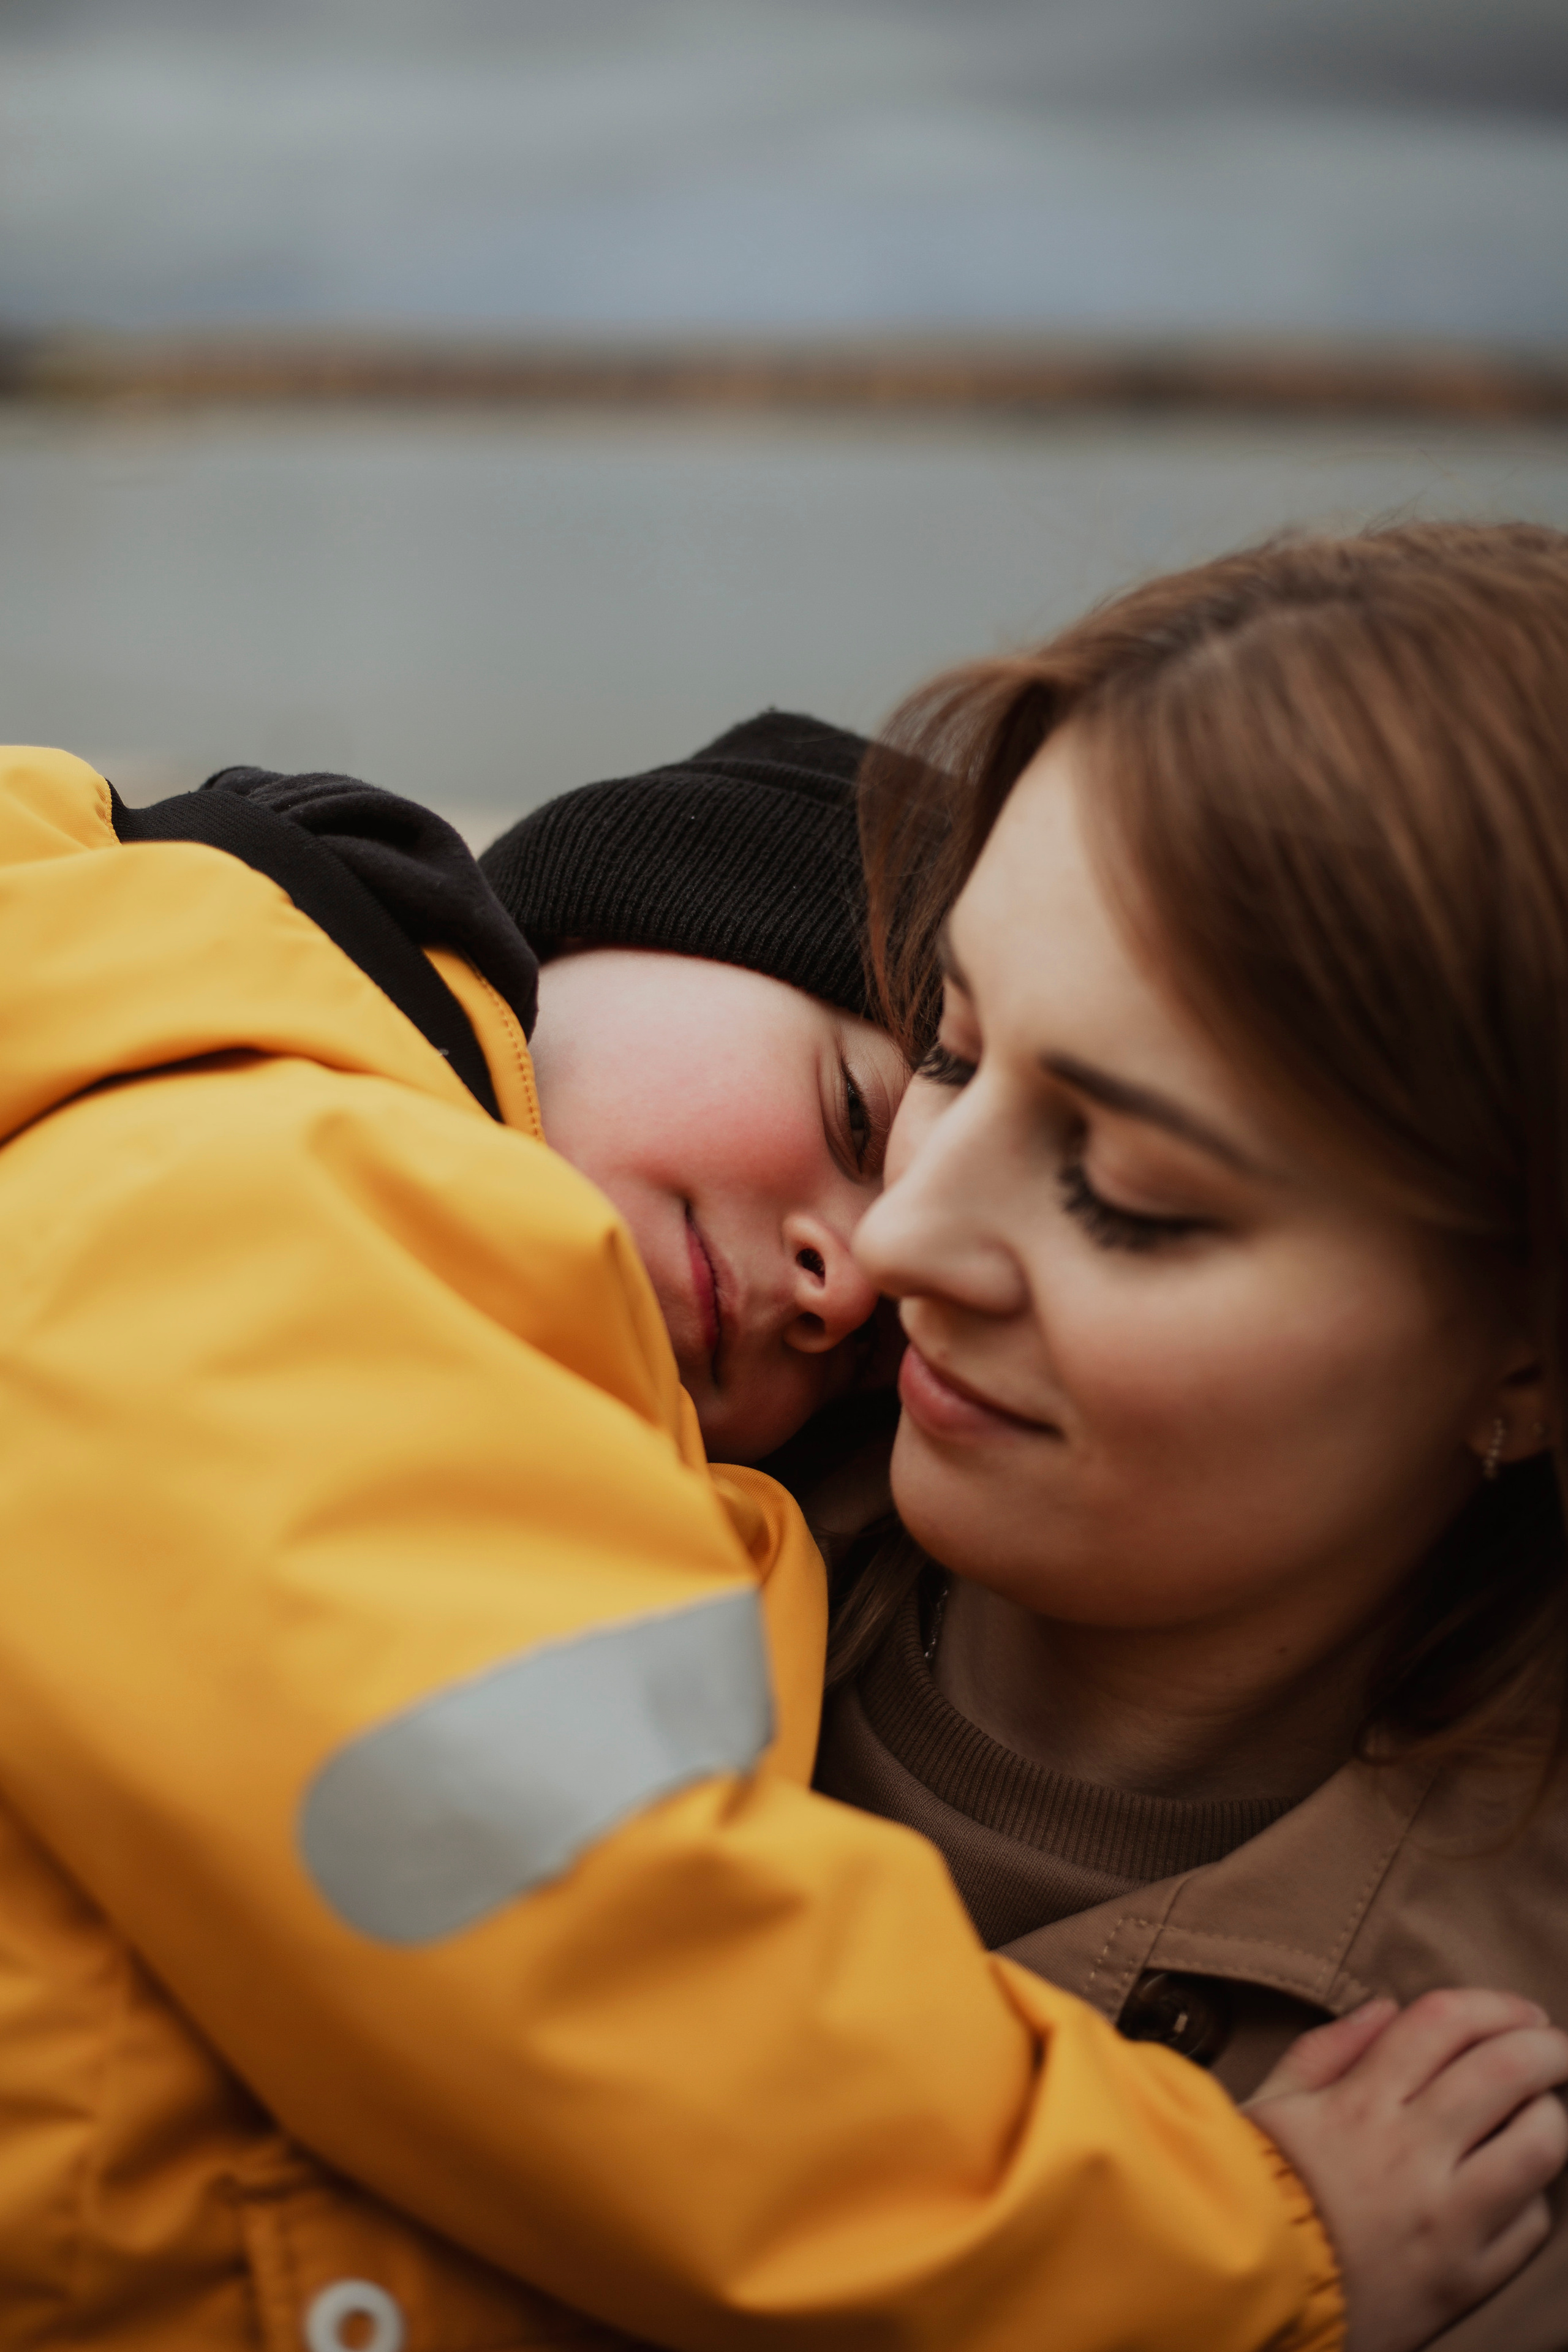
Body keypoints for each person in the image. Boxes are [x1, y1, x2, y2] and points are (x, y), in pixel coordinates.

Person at [0, 708, 1555, 2352]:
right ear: (594, 924)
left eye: (865, 1372)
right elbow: (595, 1945)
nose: (867, 1275)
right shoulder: (284, 1186)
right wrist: (1234, 2247)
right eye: (859, 1110)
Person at [820, 520, 1568, 2351]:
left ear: (1529, 1350)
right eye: (947, 1048)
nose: (896, 1235)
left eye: (1130, 1192)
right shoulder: (557, 1481)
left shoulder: (1507, 2147)